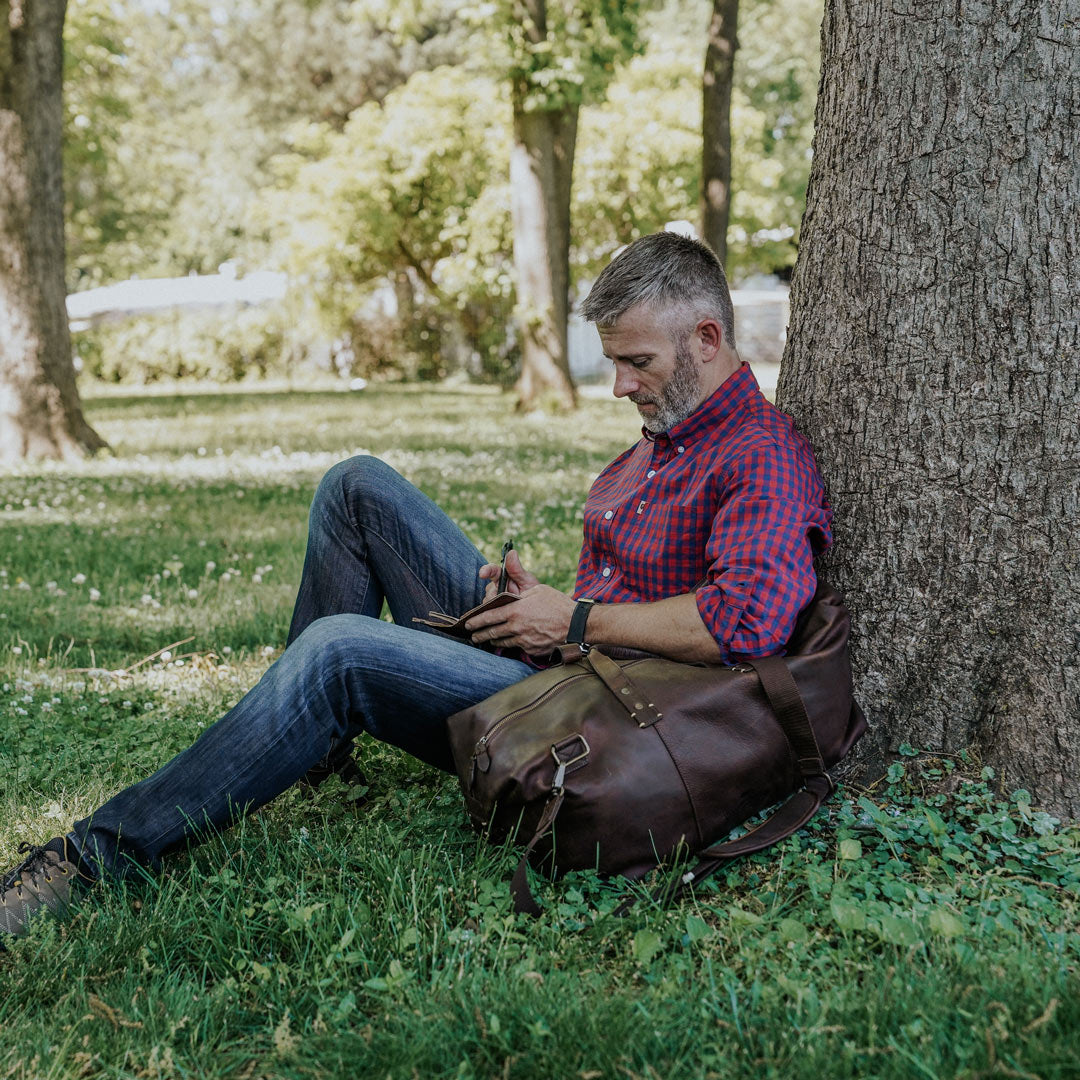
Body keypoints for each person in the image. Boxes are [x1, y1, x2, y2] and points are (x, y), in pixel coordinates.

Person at [0, 231, 832, 941]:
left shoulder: (760, 453)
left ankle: (94, 858)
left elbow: (746, 624)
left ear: (710, 338)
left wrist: (574, 620)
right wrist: (534, 604)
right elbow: (614, 596)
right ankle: (309, 741)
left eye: (635, 362)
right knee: (357, 485)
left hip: (601, 722)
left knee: (338, 656)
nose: (618, 386)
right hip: (565, 668)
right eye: (614, 362)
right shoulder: (660, 436)